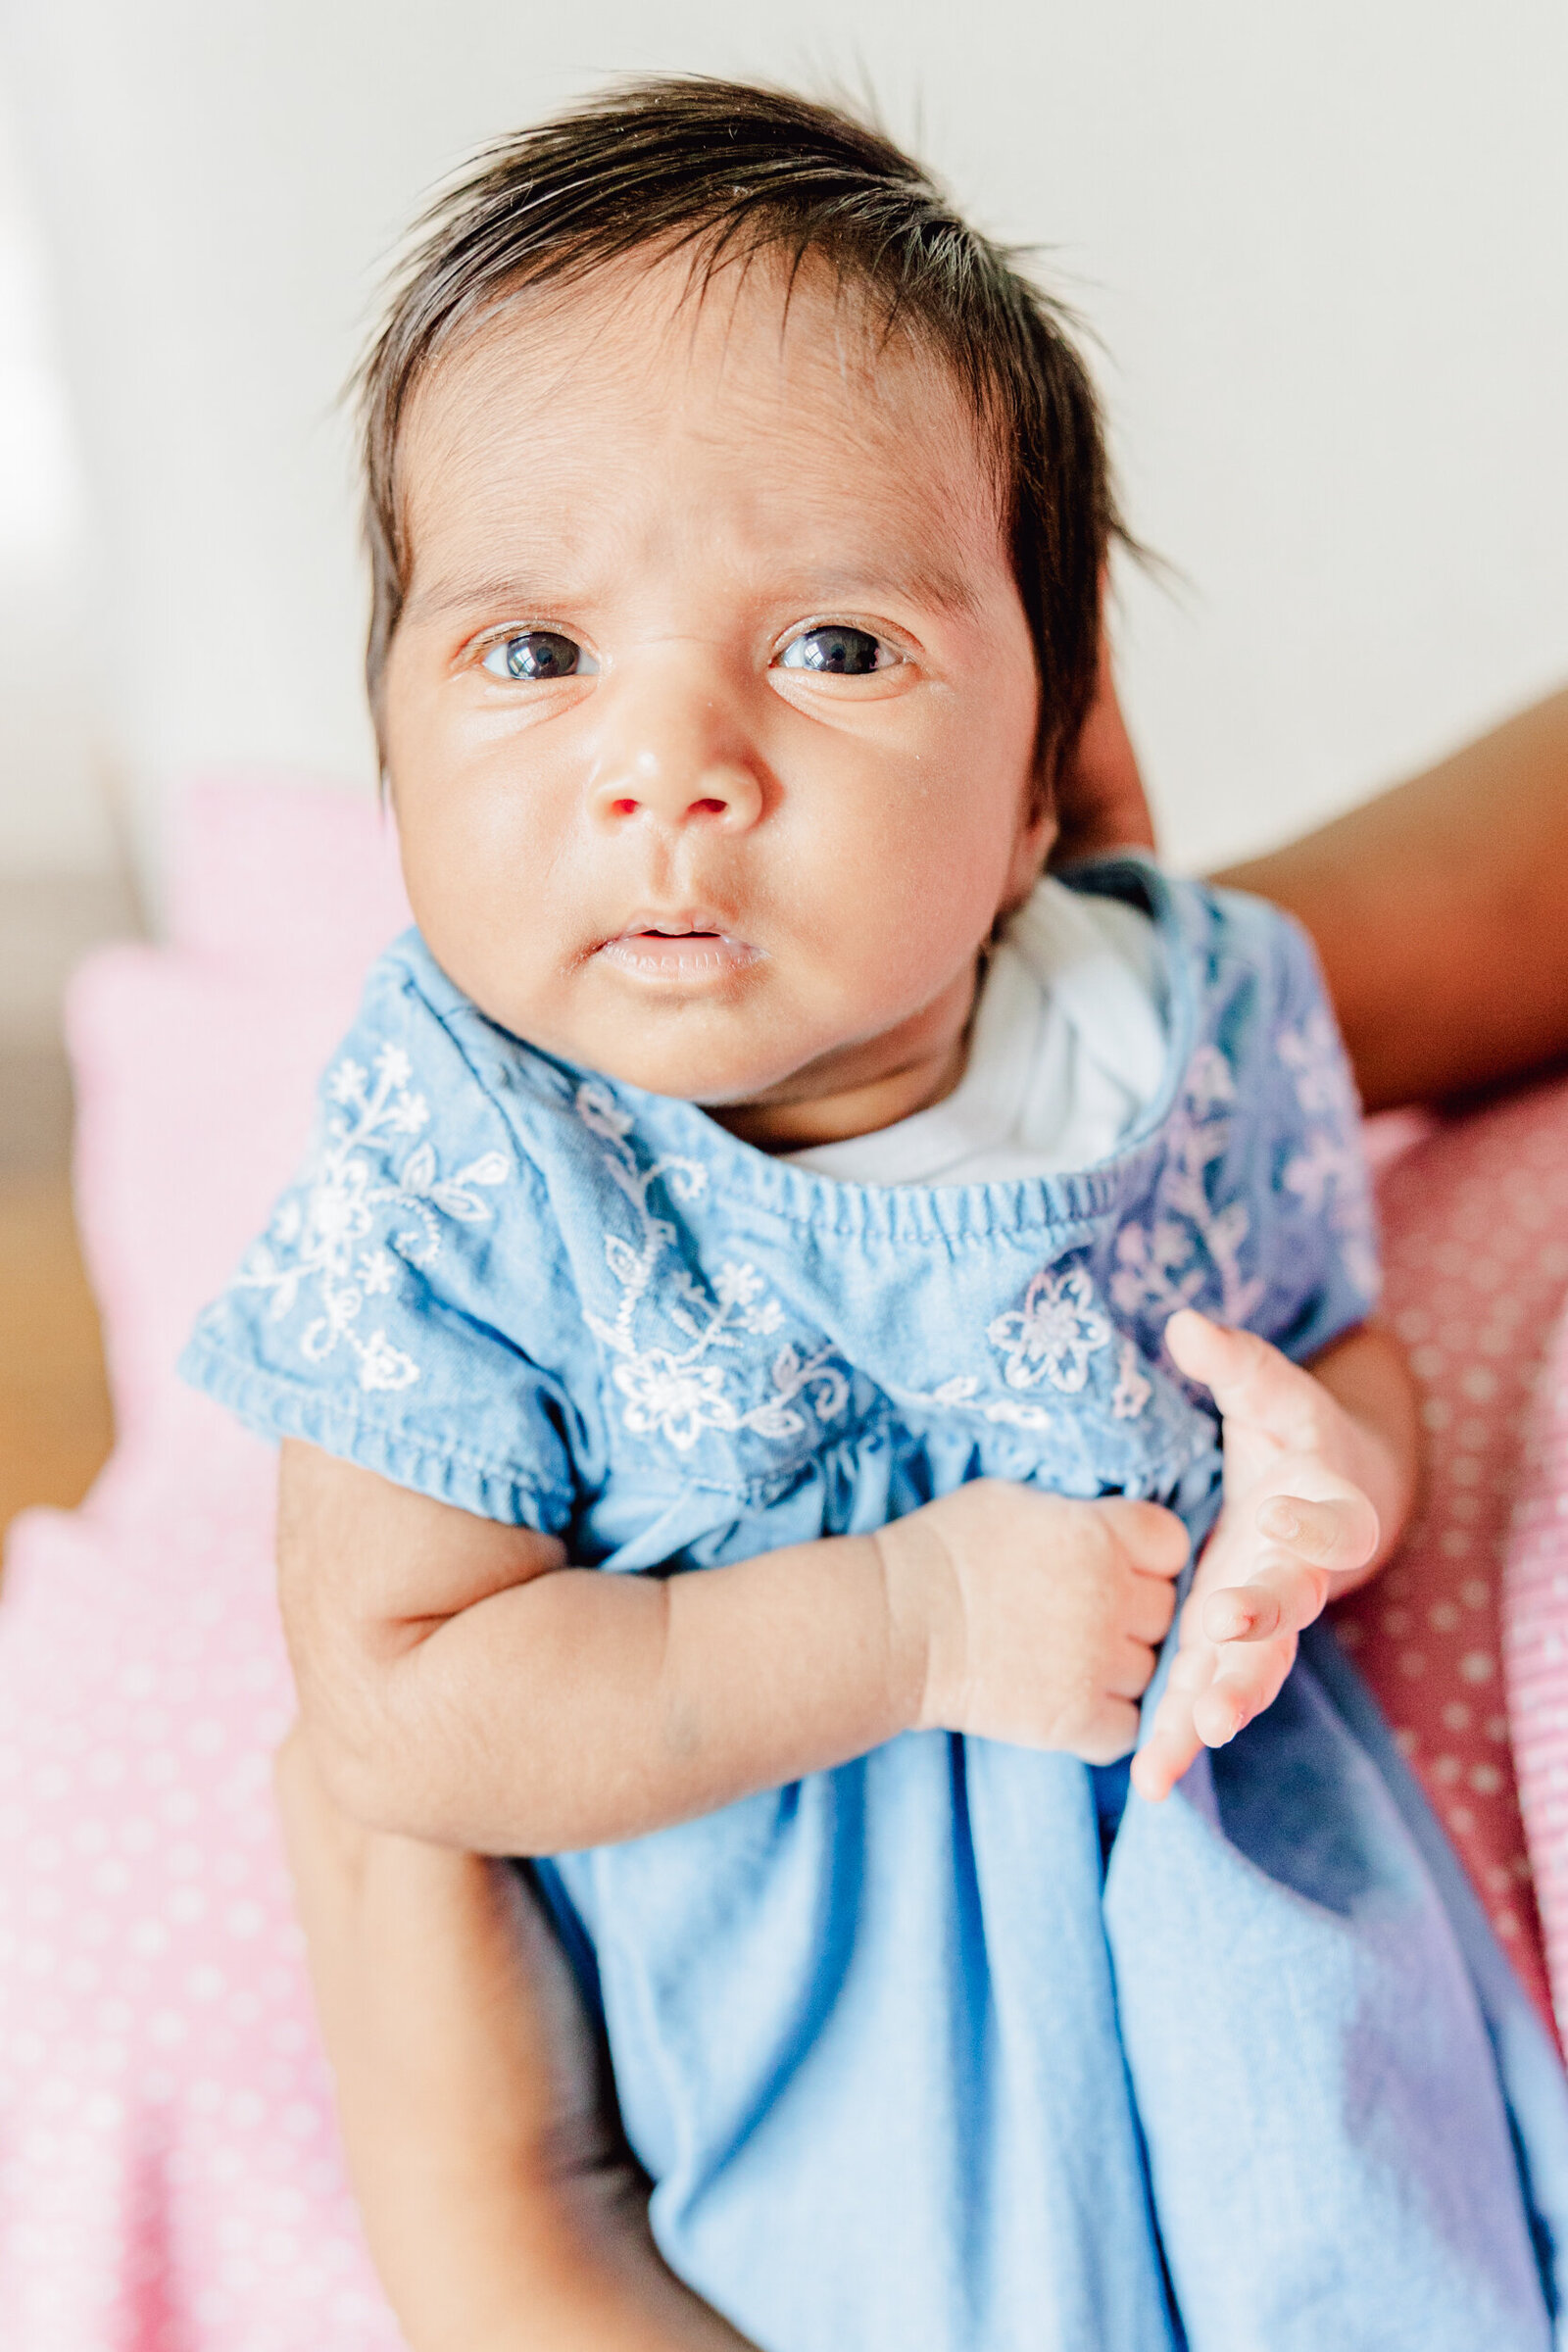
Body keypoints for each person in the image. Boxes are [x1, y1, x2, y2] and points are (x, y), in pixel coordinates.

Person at [182, 79, 1567, 2352]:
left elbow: (1334, 1335)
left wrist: (1342, 1471)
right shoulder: (467, 1172)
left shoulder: (1170, 1025)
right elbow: (407, 1709)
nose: (669, 764)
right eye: (531, 655)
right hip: (853, 2156)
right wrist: (910, 1620)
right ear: (389, 744)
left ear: (1045, 769)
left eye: (832, 648)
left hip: (1274, 2062)